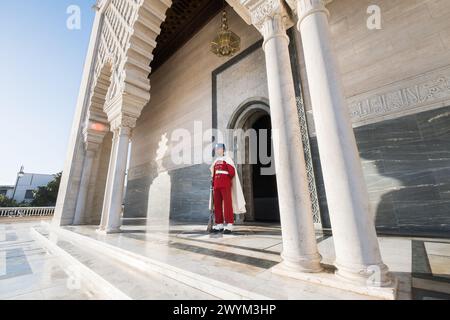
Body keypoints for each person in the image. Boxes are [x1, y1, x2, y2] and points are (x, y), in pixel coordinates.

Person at [209, 143, 246, 234]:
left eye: (220, 149)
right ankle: (219, 225)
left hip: (225, 185)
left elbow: (232, 172)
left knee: (227, 205)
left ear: (223, 150)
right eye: (217, 149)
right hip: (216, 186)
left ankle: (229, 225)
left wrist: (224, 178)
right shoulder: (216, 161)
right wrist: (213, 183)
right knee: (217, 205)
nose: (218, 150)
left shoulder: (227, 159)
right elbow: (213, 174)